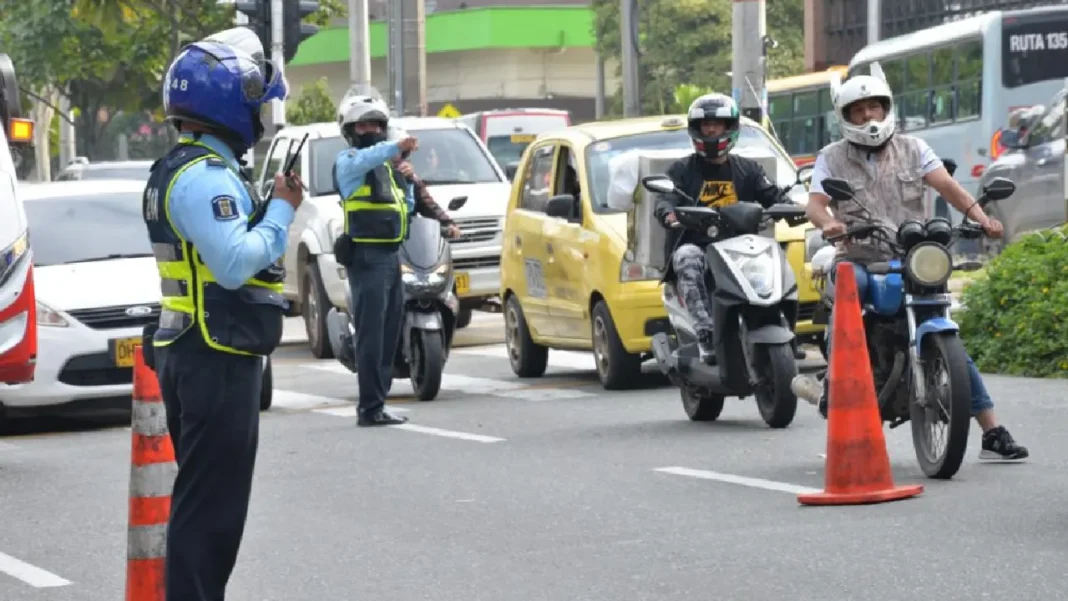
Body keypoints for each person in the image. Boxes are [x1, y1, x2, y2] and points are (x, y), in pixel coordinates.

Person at [140, 27, 303, 600]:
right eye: (256, 104)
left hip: (202, 351)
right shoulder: (204, 178)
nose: (260, 117)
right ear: (229, 105)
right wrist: (281, 211)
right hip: (214, 356)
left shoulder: (181, 169)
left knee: (211, 508)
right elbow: (234, 263)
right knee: (210, 515)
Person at [794, 63, 1028, 461]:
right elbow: (815, 204)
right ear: (845, 117)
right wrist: (830, 223)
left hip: (912, 256)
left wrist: (982, 218)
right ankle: (836, 383)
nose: (868, 116)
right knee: (851, 293)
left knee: (946, 331)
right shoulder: (831, 157)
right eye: (858, 110)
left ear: (886, 109)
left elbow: (948, 187)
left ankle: (992, 431)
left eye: (874, 107)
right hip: (859, 257)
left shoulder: (914, 149)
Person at [652, 93, 789, 363]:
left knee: (776, 257)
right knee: (686, 257)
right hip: (699, 247)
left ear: (730, 128)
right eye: (706, 125)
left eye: (717, 124)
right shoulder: (681, 170)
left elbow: (772, 195)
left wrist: (792, 207)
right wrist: (669, 214)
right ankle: (705, 333)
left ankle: (781, 326)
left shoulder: (749, 169)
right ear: (696, 129)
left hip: (742, 250)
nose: (712, 130)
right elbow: (666, 198)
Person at [331, 91, 420, 426]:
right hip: (367, 257)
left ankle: (378, 402)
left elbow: (406, 207)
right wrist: (395, 148)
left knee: (388, 334)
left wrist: (407, 180)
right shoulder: (349, 163)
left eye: (377, 125)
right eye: (363, 125)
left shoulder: (387, 167)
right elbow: (368, 158)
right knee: (370, 335)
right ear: (350, 131)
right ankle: (369, 408)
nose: (371, 130)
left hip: (392, 255)